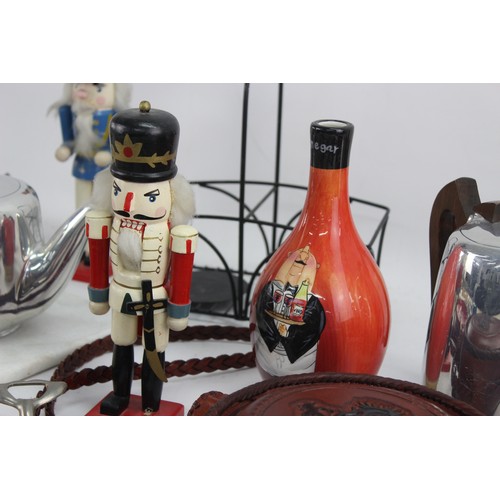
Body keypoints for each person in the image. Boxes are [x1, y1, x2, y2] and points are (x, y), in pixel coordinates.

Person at [85, 100, 198, 415]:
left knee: (154, 350)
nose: (129, 205)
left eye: (149, 196)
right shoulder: (109, 221)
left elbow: (183, 268)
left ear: (171, 195)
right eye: (120, 192)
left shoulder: (175, 232)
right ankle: (120, 395)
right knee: (121, 344)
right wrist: (98, 294)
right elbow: (98, 254)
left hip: (155, 299)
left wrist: (179, 308)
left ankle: (151, 403)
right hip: (121, 291)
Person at [50, 83, 132, 208]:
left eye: (98, 89)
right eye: (77, 86)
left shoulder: (115, 117)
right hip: (82, 164)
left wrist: (109, 153)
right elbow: (69, 139)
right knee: (82, 197)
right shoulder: (71, 113)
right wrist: (66, 148)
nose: (82, 94)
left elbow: (121, 142)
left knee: (103, 197)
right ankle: (80, 218)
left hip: (106, 168)